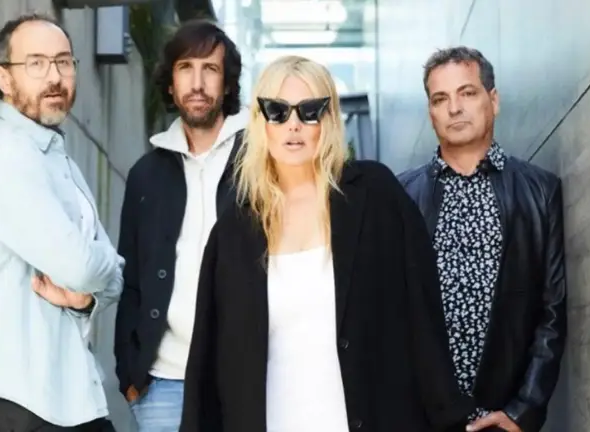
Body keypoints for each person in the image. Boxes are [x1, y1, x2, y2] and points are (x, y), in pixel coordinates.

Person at [179, 55, 473, 432]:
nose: (294, 125)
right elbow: (208, 362)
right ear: (260, 121)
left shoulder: (376, 196)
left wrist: (450, 417)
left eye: (309, 111)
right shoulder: (234, 231)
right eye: (277, 111)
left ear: (329, 118)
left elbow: (424, 319)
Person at [0, 14, 122, 432]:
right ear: (4, 78)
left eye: (64, 62)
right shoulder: (6, 156)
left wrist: (86, 298)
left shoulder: (60, 160)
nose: (54, 77)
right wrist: (103, 264)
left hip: (71, 398)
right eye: (36, 63)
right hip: (14, 398)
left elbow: (114, 282)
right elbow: (83, 266)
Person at [398, 46, 567, 432]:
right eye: (440, 99)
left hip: (501, 419)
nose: (454, 108)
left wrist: (523, 411)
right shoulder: (400, 196)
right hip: (418, 418)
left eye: (467, 93)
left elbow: (552, 312)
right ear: (431, 112)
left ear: (494, 100)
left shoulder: (540, 191)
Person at [114, 20, 248, 431]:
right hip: (163, 384)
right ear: (170, 84)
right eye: (186, 68)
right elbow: (131, 279)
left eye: (211, 69)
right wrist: (129, 374)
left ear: (228, 84)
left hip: (242, 379)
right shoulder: (145, 175)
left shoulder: (259, 162)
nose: (197, 83)